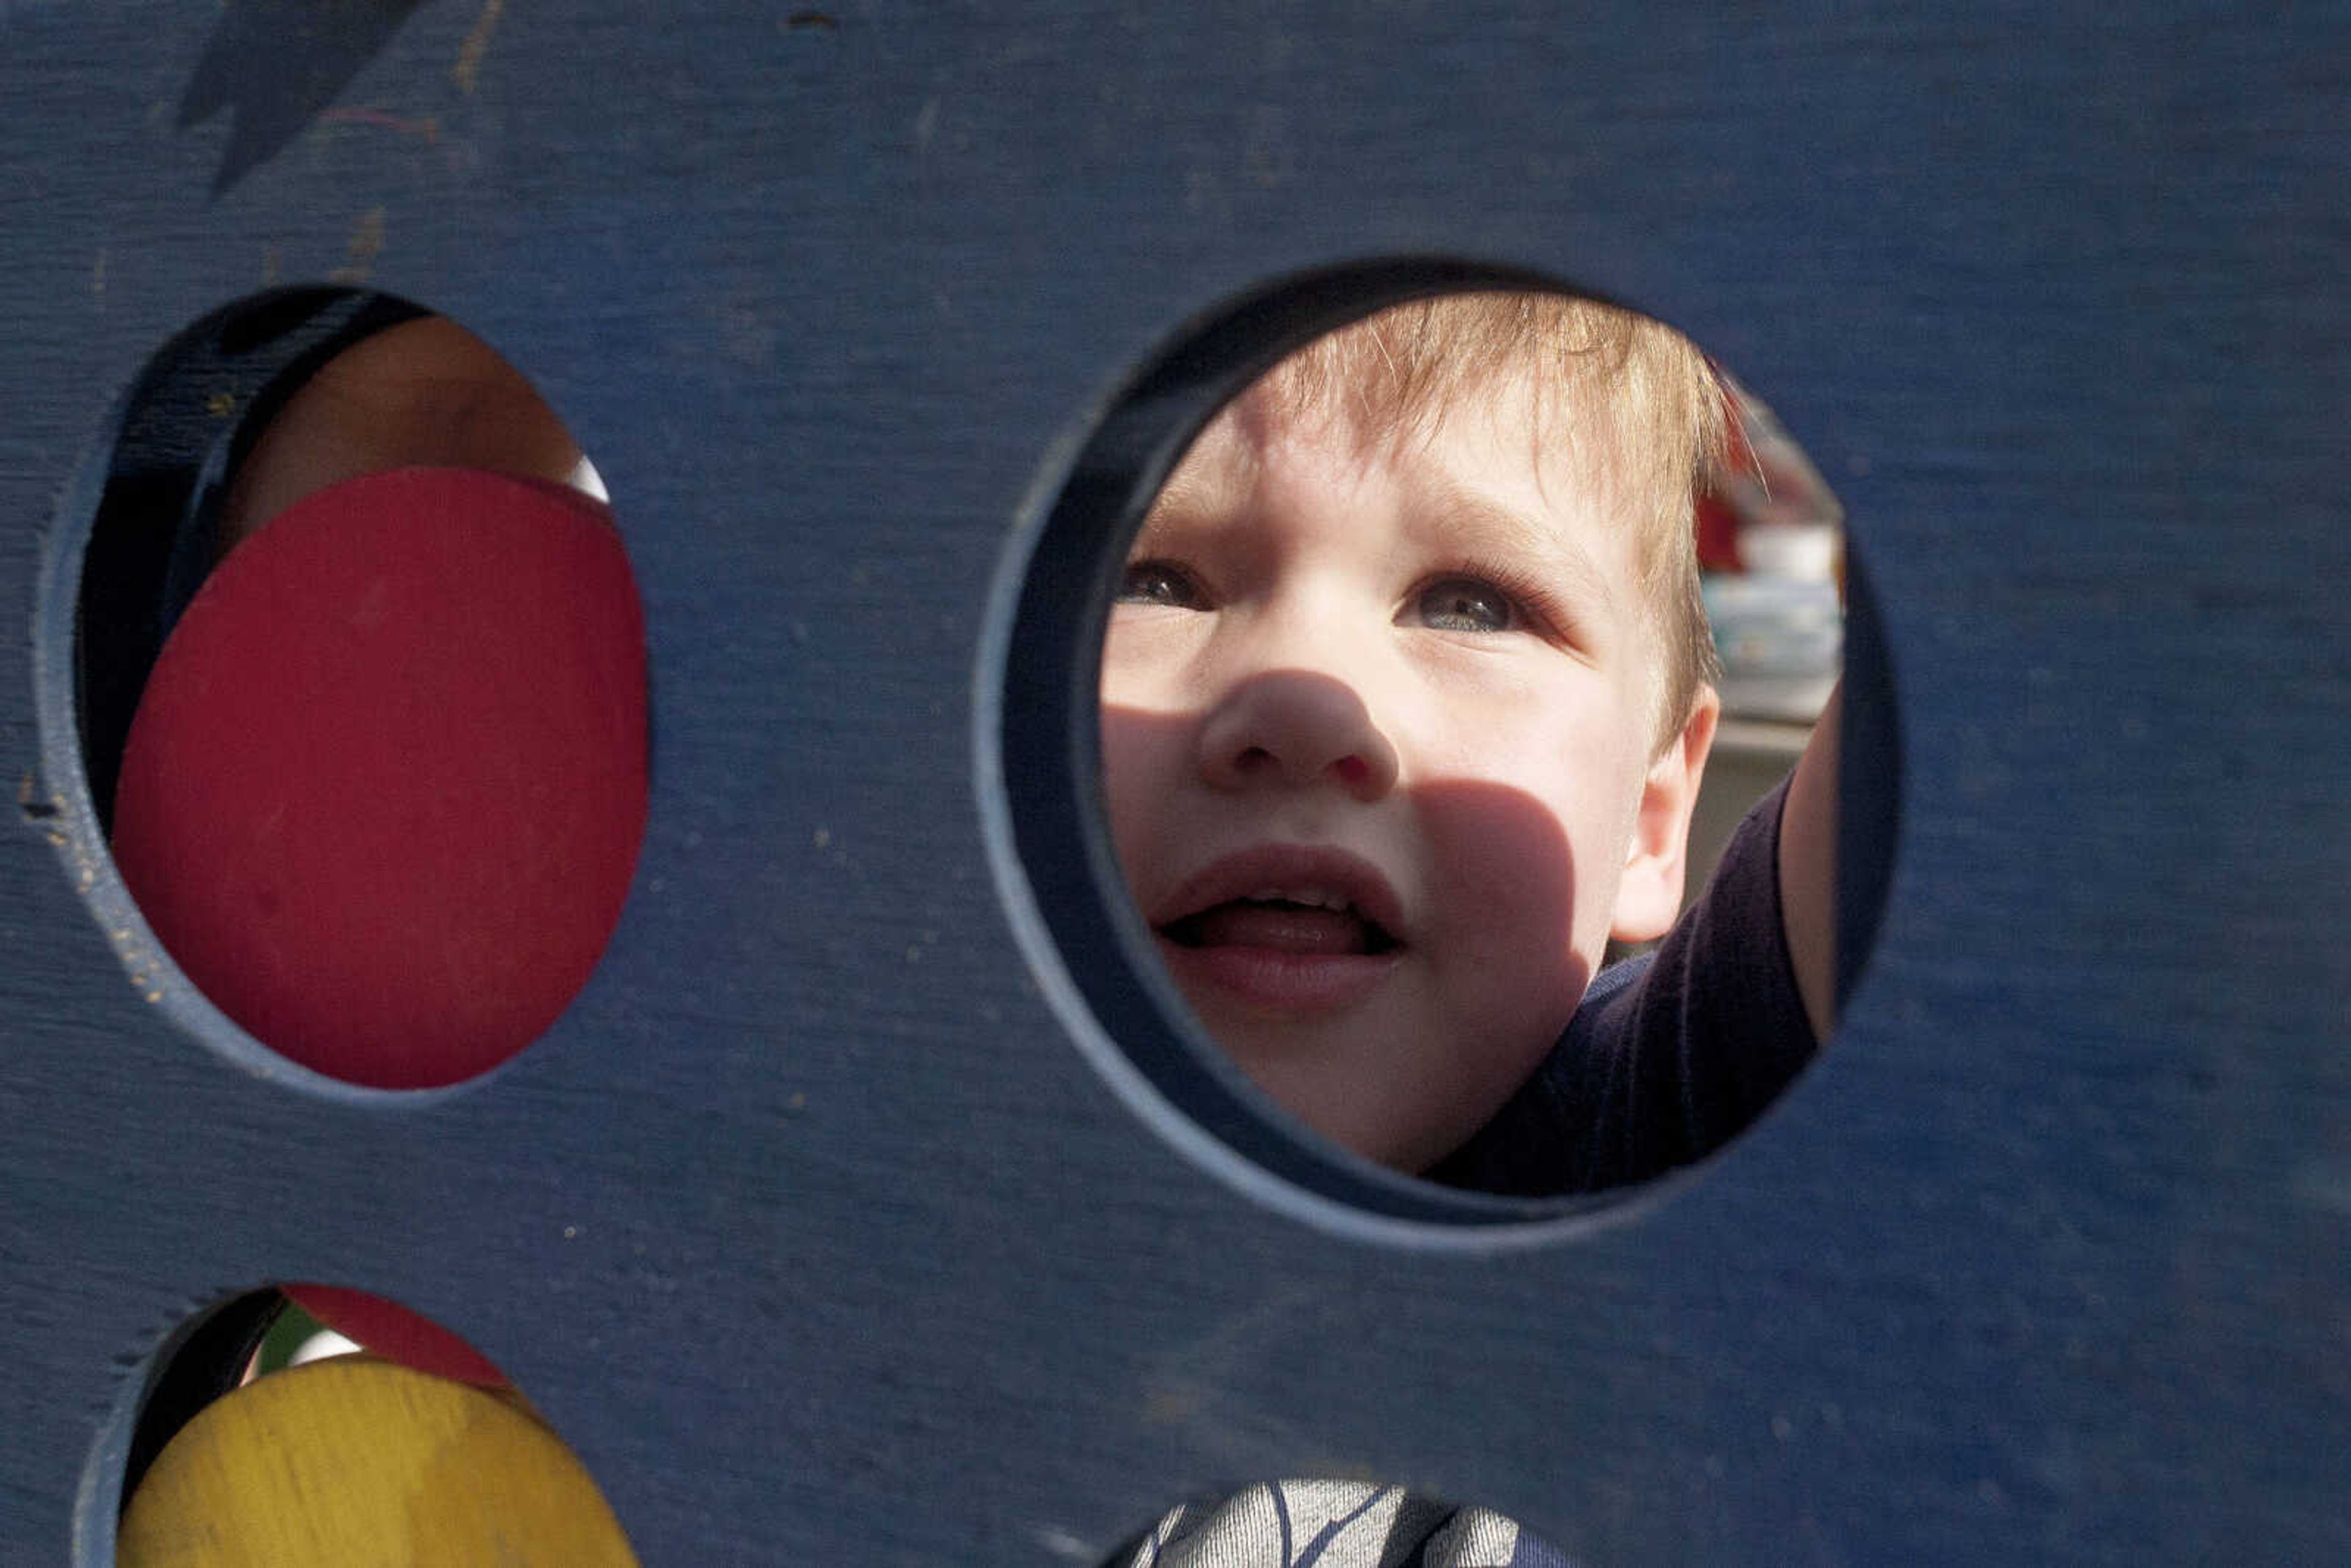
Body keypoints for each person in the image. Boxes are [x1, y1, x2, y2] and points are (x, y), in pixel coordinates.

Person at [1100, 290, 1839, 1193]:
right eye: (1156, 583)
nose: (1303, 700)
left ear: (1651, 816)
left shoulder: (1640, 1116)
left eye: (1470, 606)